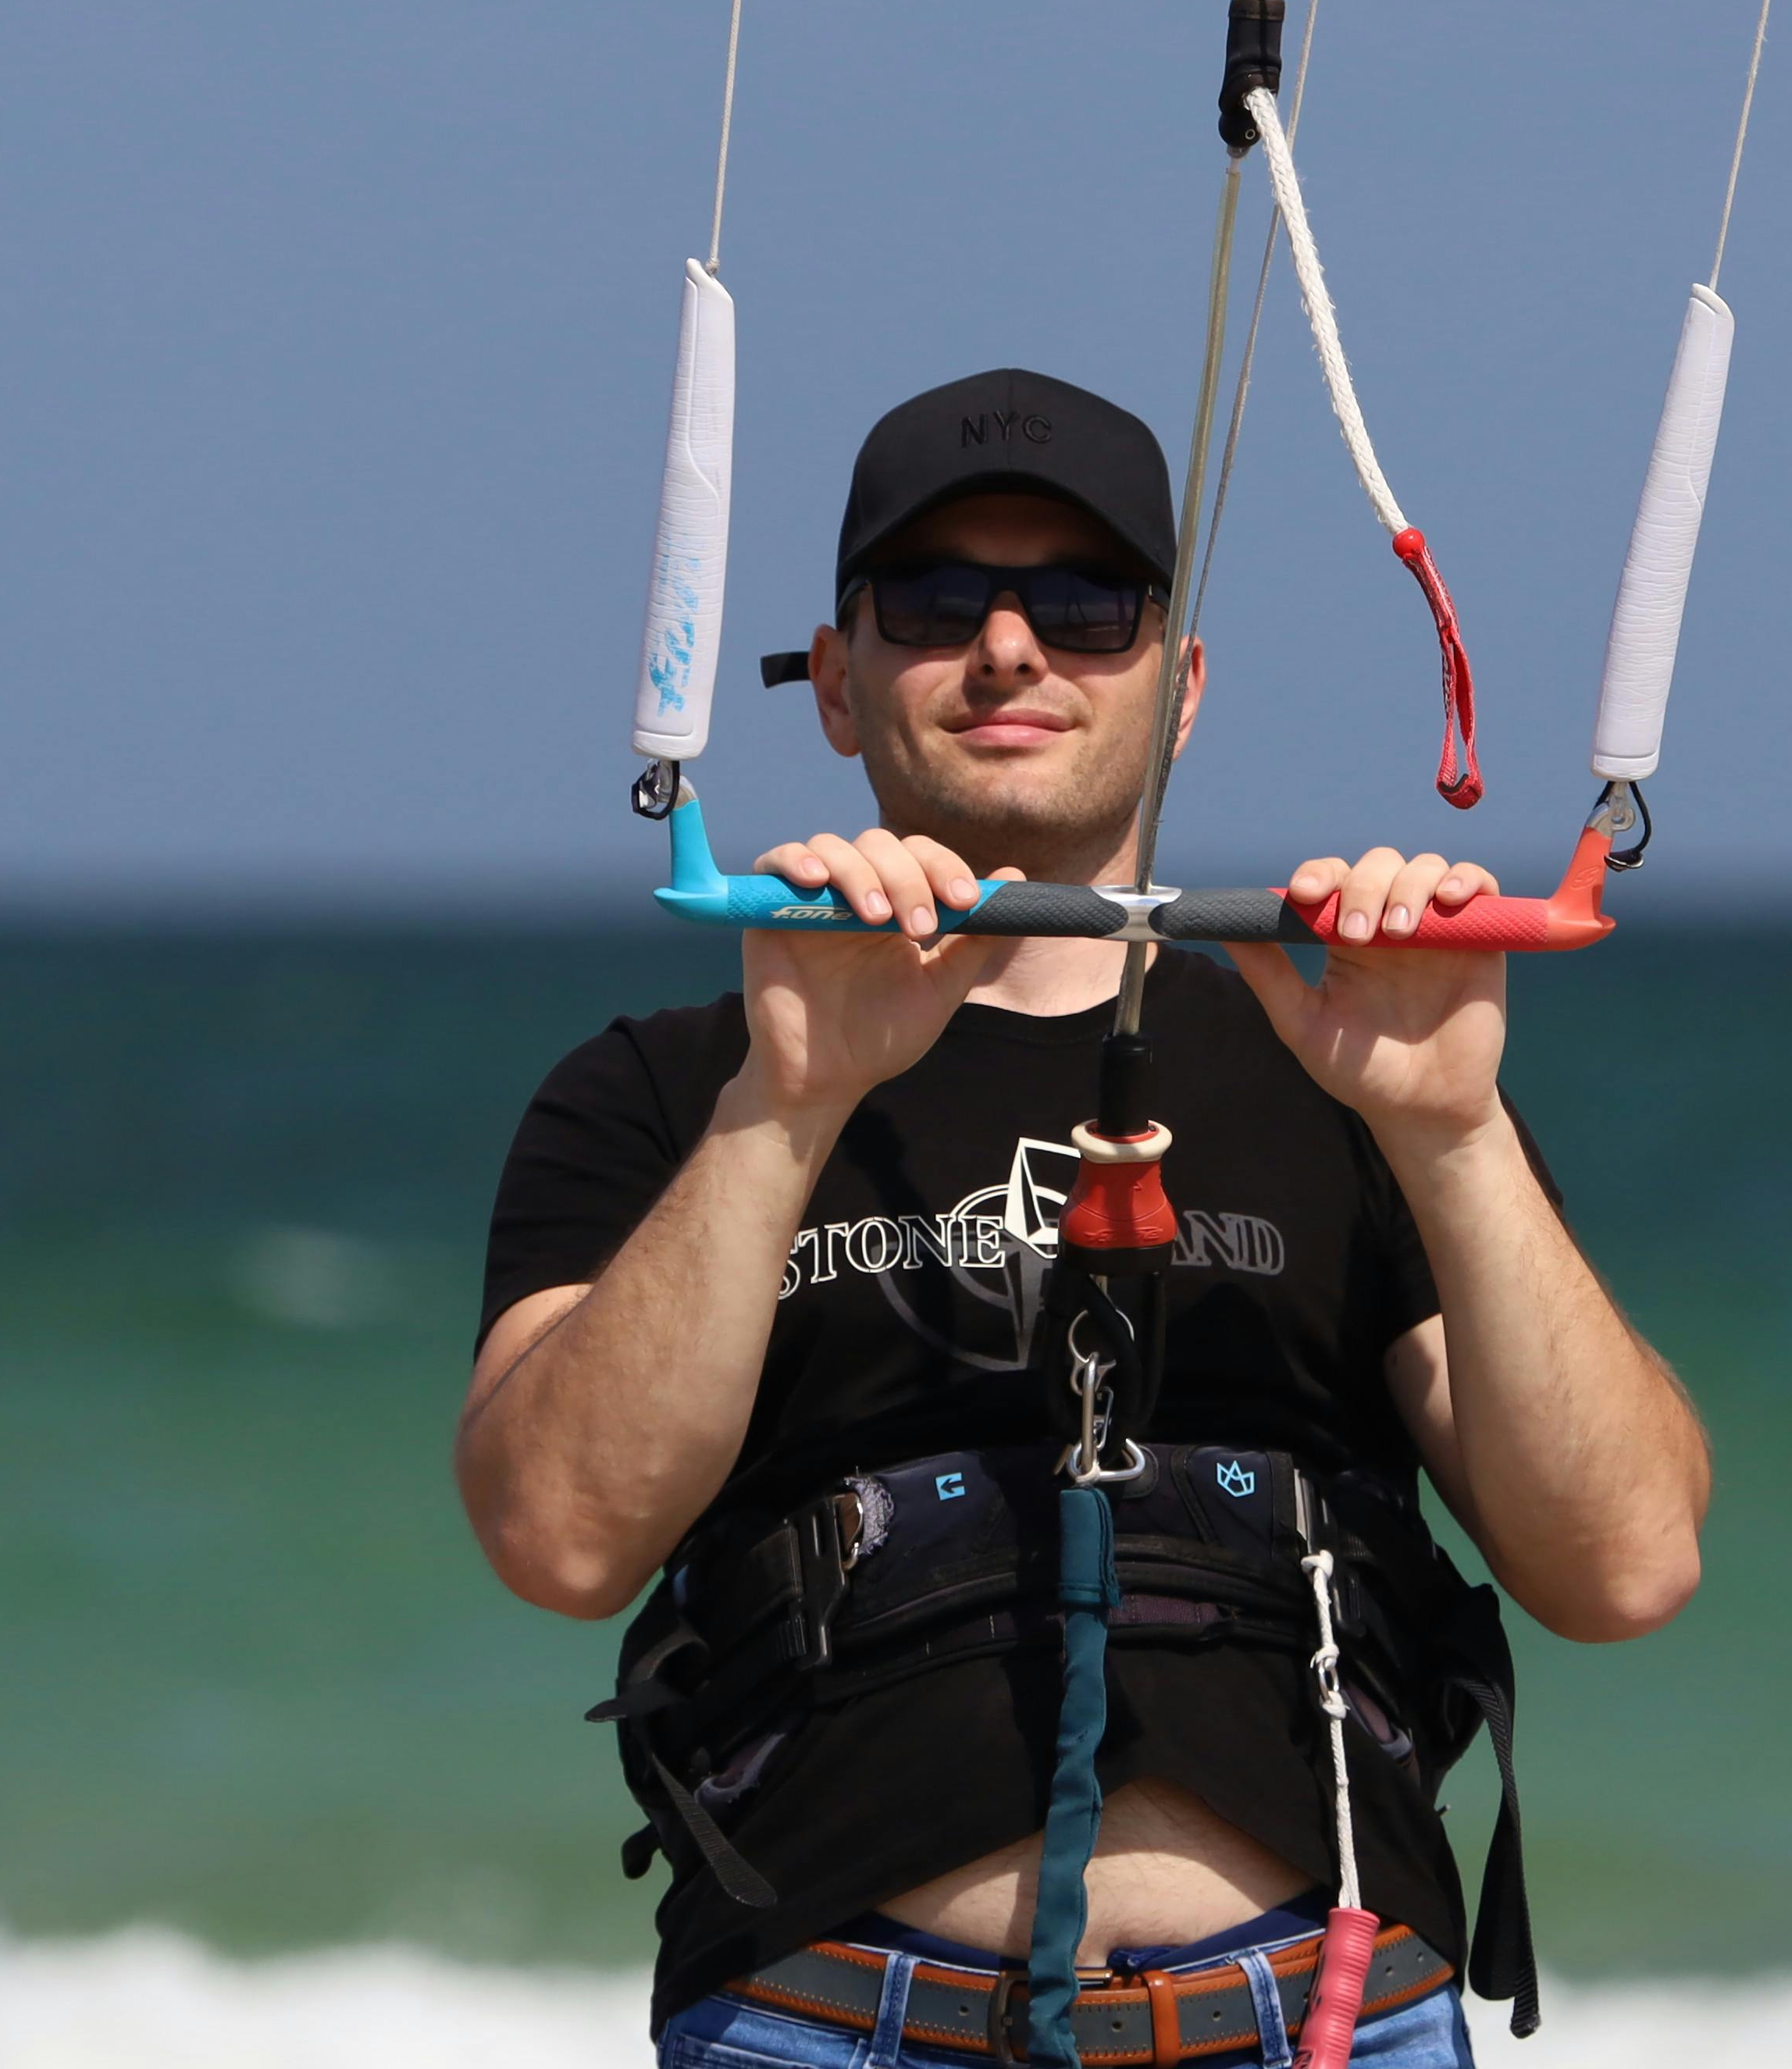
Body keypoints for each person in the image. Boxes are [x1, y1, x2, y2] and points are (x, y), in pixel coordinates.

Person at [462, 368, 1711, 2067]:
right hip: (820, 2020)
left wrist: (1454, 1127)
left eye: (1081, 603)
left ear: (1177, 687)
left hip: (1316, 2017)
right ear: (834, 682)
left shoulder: (1352, 1079)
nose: (1007, 647)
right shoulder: (669, 1092)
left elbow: (1627, 1559)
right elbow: (558, 1533)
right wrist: (791, 1100)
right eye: (931, 600)